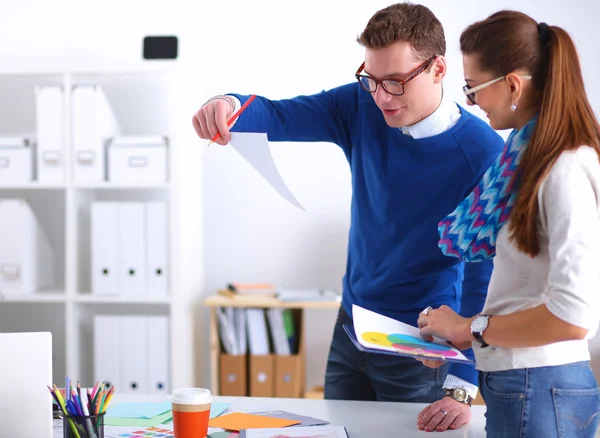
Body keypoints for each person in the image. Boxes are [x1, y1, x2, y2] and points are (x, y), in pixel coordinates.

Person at [192, 3, 504, 432]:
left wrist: (461, 385)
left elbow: (481, 275)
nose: (381, 97)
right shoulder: (363, 105)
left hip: (420, 345)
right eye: (371, 80)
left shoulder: (482, 153)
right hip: (351, 328)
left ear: (437, 69)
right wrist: (228, 103)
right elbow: (281, 115)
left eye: (395, 82)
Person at [417, 10, 600, 438]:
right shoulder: (527, 160)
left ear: (513, 84)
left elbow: (573, 314)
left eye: (472, 87)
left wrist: (469, 327)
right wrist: (462, 336)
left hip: (538, 386)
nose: (470, 101)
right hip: (526, 385)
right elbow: (526, 293)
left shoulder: (565, 166)